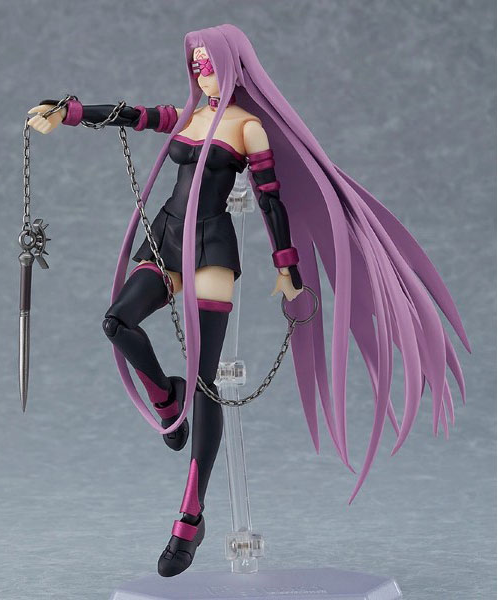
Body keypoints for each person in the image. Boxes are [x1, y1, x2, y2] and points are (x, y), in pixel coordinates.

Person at [28, 24, 468, 577]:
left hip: (212, 247)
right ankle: (166, 398)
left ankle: (191, 513)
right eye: (195, 63)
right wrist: (69, 112)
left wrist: (288, 270)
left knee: (208, 382)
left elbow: (271, 201)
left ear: (234, 64)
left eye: (209, 62)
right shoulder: (188, 115)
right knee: (117, 322)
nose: (201, 71)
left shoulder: (248, 127)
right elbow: (135, 116)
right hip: (166, 237)